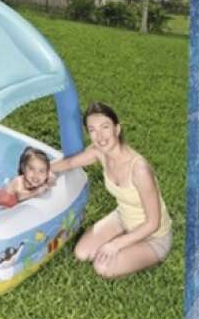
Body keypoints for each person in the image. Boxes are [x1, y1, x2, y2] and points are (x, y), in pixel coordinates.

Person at [51, 102, 172, 278]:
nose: (99, 136)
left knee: (102, 267)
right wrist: (40, 171)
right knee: (82, 253)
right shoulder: (99, 152)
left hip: (153, 237)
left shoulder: (139, 169)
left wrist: (115, 244)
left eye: (105, 127)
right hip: (123, 217)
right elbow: (69, 163)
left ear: (117, 129)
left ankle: (137, 249)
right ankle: (121, 238)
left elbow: (153, 223)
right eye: (92, 130)